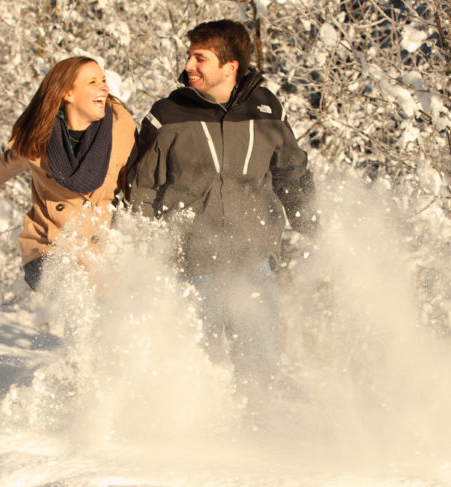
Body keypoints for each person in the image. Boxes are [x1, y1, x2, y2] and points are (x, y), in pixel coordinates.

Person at [125, 20, 316, 400]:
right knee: (198, 372)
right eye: (189, 56)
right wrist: (138, 249)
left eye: (200, 58)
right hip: (190, 267)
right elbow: (141, 187)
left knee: (261, 370)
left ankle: (260, 444)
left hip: (252, 263)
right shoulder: (168, 114)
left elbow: (291, 173)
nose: (189, 65)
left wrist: (316, 226)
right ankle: (195, 451)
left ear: (230, 66)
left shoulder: (266, 110)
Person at [0, 57, 136, 290]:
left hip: (99, 251)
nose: (104, 87)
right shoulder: (39, 135)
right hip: (47, 248)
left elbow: (138, 180)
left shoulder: (120, 129)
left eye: (103, 80)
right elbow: (6, 164)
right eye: (92, 82)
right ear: (68, 94)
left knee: (105, 308)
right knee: (74, 293)